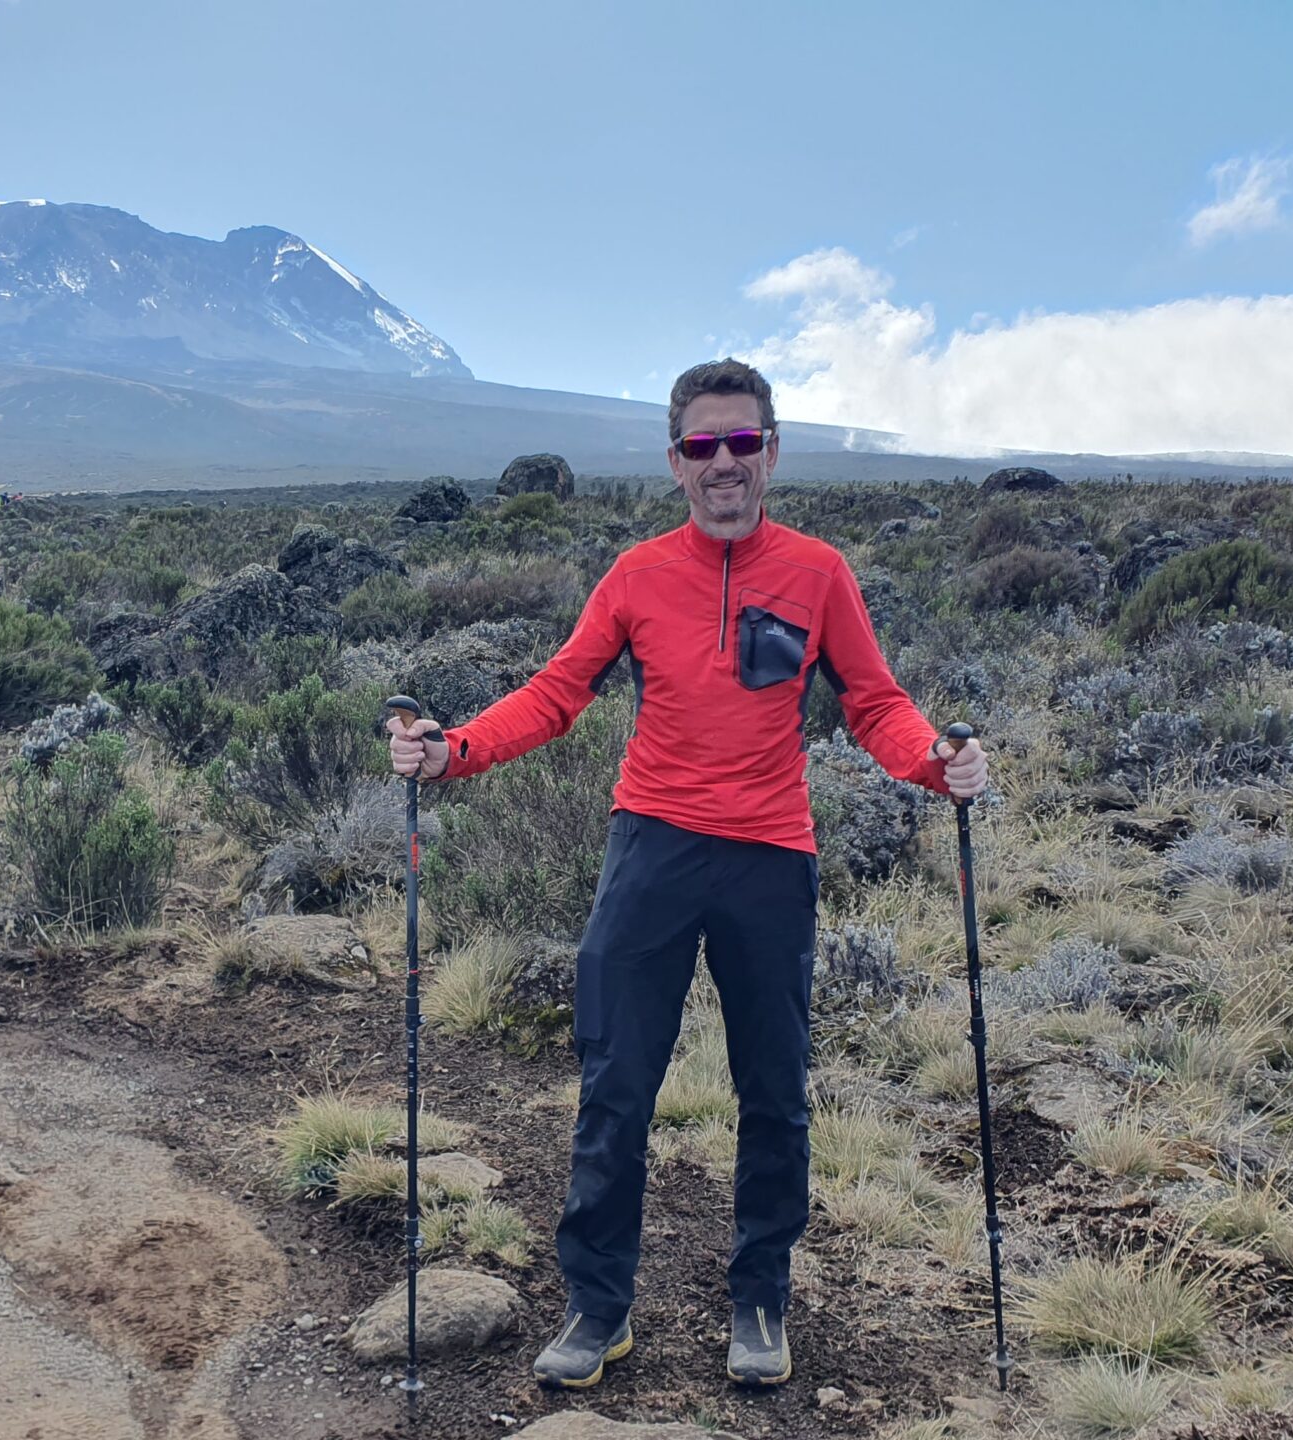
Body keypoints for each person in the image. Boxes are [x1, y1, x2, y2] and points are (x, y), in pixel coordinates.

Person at [386, 360, 988, 1391]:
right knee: (616, 1085)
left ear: (771, 454)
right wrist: (456, 751)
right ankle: (597, 1307)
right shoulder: (635, 575)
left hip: (769, 857)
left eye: (742, 443)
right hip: (651, 850)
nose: (724, 464)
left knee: (773, 1093)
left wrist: (935, 762)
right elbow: (556, 691)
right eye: (703, 445)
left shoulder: (819, 573)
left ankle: (758, 1300)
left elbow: (875, 702)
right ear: (674, 462)